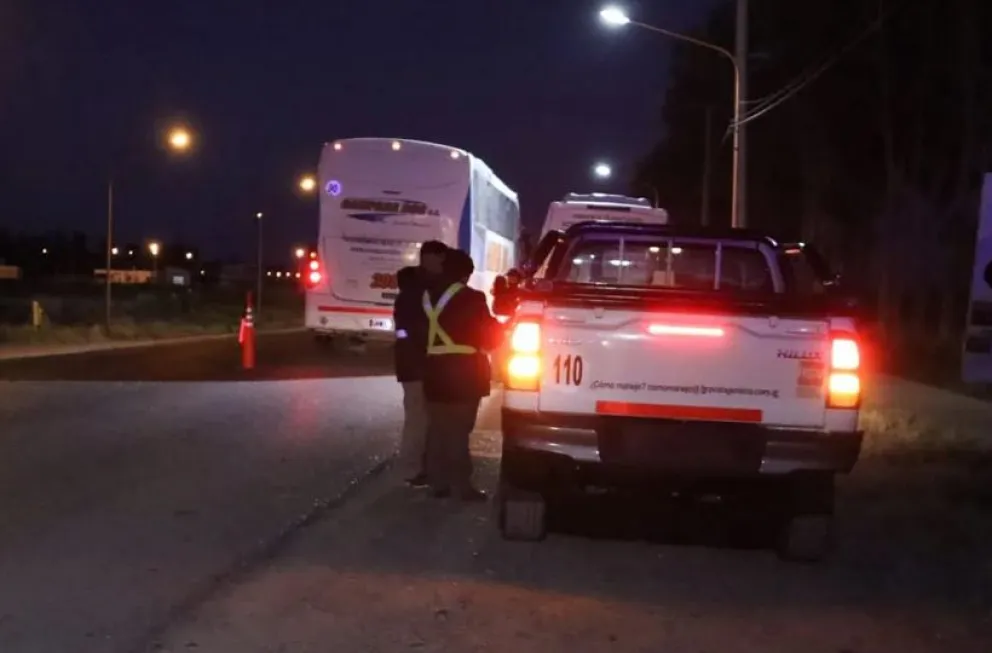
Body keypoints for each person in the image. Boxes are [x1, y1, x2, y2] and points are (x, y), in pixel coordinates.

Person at [421, 249, 504, 501]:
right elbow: (490, 337)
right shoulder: (472, 298)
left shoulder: (426, 296)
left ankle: (437, 482)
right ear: (465, 274)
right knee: (459, 429)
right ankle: (461, 486)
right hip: (464, 372)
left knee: (437, 428)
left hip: (433, 369)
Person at [393, 240, 448, 487]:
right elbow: (410, 330)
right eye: (440, 260)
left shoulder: (420, 287)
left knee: (424, 418)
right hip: (415, 365)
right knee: (417, 418)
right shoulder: (418, 291)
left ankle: (422, 468)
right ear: (428, 259)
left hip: (420, 364)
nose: (442, 266)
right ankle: (412, 470)